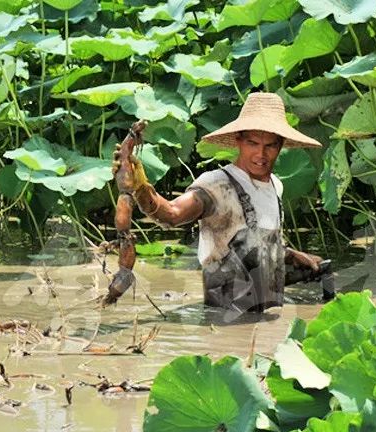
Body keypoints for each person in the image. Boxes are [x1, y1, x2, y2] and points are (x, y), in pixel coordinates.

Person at [114, 92, 326, 315]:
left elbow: (260, 242)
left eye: (270, 146)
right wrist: (139, 187)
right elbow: (172, 213)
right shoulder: (216, 184)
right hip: (225, 310)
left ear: (281, 145)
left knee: (322, 269)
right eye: (252, 143)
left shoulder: (276, 185)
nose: (261, 154)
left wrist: (290, 254)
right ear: (239, 141)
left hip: (265, 306)